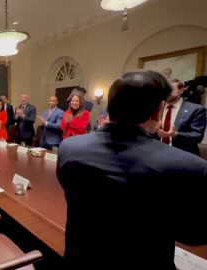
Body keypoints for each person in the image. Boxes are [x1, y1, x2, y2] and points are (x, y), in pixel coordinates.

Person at [56, 70, 207, 270]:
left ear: (110, 107)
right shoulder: (190, 166)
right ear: (158, 110)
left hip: (80, 260)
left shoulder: (69, 148)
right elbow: (194, 235)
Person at [157, 79, 206, 156]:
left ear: (181, 90)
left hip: (183, 155)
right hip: (157, 153)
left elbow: (197, 135)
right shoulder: (157, 107)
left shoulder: (196, 109)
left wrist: (175, 134)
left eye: (170, 89)